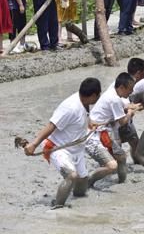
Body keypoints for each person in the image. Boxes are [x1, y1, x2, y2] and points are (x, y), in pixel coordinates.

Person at [24, 78, 101, 208]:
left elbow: (84, 115)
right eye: (99, 95)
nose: (99, 97)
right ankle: (58, 206)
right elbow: (51, 125)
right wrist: (34, 144)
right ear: (93, 95)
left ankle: (76, 200)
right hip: (58, 148)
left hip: (77, 149)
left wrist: (89, 122)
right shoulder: (70, 107)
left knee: (82, 185)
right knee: (71, 176)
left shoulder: (85, 101)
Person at [86, 73, 139, 187]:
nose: (131, 92)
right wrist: (130, 112)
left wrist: (129, 108)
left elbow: (120, 109)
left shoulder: (112, 93)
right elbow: (123, 122)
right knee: (121, 157)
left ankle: (121, 180)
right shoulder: (114, 99)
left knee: (119, 156)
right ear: (121, 88)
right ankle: (92, 180)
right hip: (100, 131)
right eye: (130, 89)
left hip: (102, 128)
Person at [119, 57, 144, 164]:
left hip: (125, 121)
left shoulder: (128, 82)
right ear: (139, 73)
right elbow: (127, 106)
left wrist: (137, 106)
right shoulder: (128, 86)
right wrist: (138, 106)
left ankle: (136, 163)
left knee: (135, 144)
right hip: (119, 121)